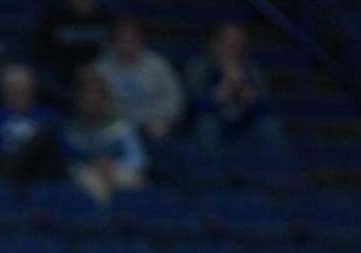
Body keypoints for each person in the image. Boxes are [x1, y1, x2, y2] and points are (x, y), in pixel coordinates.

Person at [185, 21, 285, 155]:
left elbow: (268, 106)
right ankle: (209, 174)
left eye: (238, 42)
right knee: (207, 126)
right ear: (214, 43)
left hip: (244, 121)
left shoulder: (252, 69)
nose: (233, 46)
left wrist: (250, 95)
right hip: (212, 120)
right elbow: (190, 106)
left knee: (269, 126)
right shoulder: (199, 67)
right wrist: (217, 95)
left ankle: (279, 173)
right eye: (228, 41)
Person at [0, 64, 62, 185]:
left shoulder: (49, 117)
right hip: (0, 174)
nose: (19, 93)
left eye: (24, 89)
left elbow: (64, 149)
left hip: (42, 175)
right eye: (13, 89)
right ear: (3, 91)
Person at [64, 67, 148, 204]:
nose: (91, 100)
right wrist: (93, 166)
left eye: (95, 94)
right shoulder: (73, 128)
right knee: (93, 183)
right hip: (88, 173)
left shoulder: (120, 124)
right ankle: (103, 222)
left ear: (104, 98)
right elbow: (70, 163)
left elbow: (138, 159)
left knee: (135, 181)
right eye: (86, 95)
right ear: (79, 99)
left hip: (118, 170)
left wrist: (114, 166)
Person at [93, 18, 184, 143]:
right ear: (113, 42)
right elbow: (93, 104)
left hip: (154, 122)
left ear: (141, 41)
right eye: (122, 40)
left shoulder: (158, 64)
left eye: (132, 40)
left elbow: (173, 97)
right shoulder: (99, 69)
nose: (127, 45)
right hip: (115, 125)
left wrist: (164, 118)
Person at [35, 0, 115, 85]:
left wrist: (95, 70)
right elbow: (43, 56)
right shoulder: (51, 17)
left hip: (103, 79)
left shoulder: (109, 16)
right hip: (61, 81)